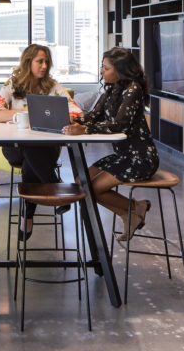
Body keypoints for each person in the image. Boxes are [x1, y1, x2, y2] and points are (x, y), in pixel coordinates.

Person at [63, 47, 159, 241]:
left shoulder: (134, 89)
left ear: (120, 70)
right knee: (81, 182)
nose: (102, 72)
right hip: (123, 156)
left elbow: (120, 125)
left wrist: (86, 130)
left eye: (106, 68)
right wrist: (71, 121)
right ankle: (128, 213)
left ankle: (134, 209)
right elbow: (93, 116)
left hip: (140, 159)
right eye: (102, 67)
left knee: (90, 188)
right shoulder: (113, 89)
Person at [0, 44, 82, 240]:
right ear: (28, 62)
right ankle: (54, 185)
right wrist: (27, 112)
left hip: (45, 149)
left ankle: (27, 216)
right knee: (29, 146)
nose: (44, 66)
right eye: (39, 61)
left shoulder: (53, 87)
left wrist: (61, 116)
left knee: (33, 154)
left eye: (46, 62)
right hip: (14, 148)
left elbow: (76, 112)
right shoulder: (12, 85)